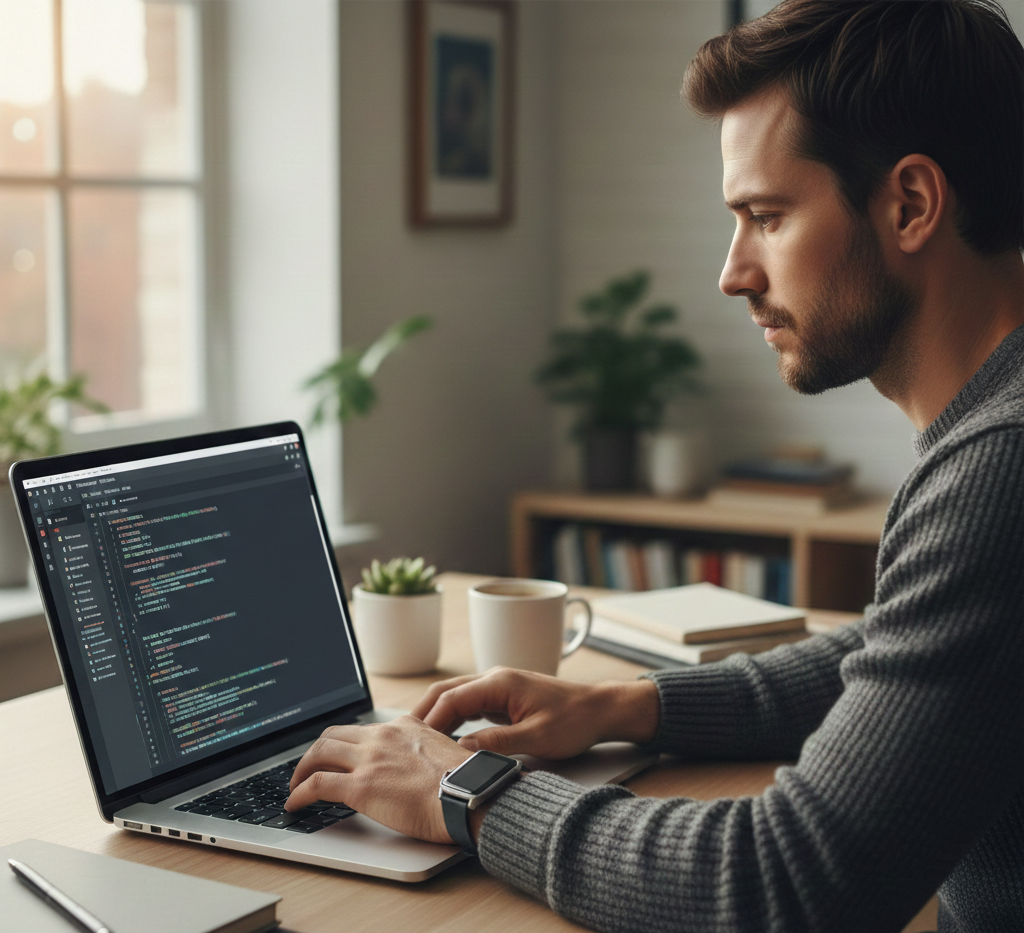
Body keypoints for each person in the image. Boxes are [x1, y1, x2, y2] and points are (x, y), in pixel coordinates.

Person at [284, 2, 1024, 930]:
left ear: (911, 204)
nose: (733, 271)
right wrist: (624, 706)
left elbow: (785, 885)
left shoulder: (1001, 468)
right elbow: (899, 656)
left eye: (767, 216)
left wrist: (468, 791)